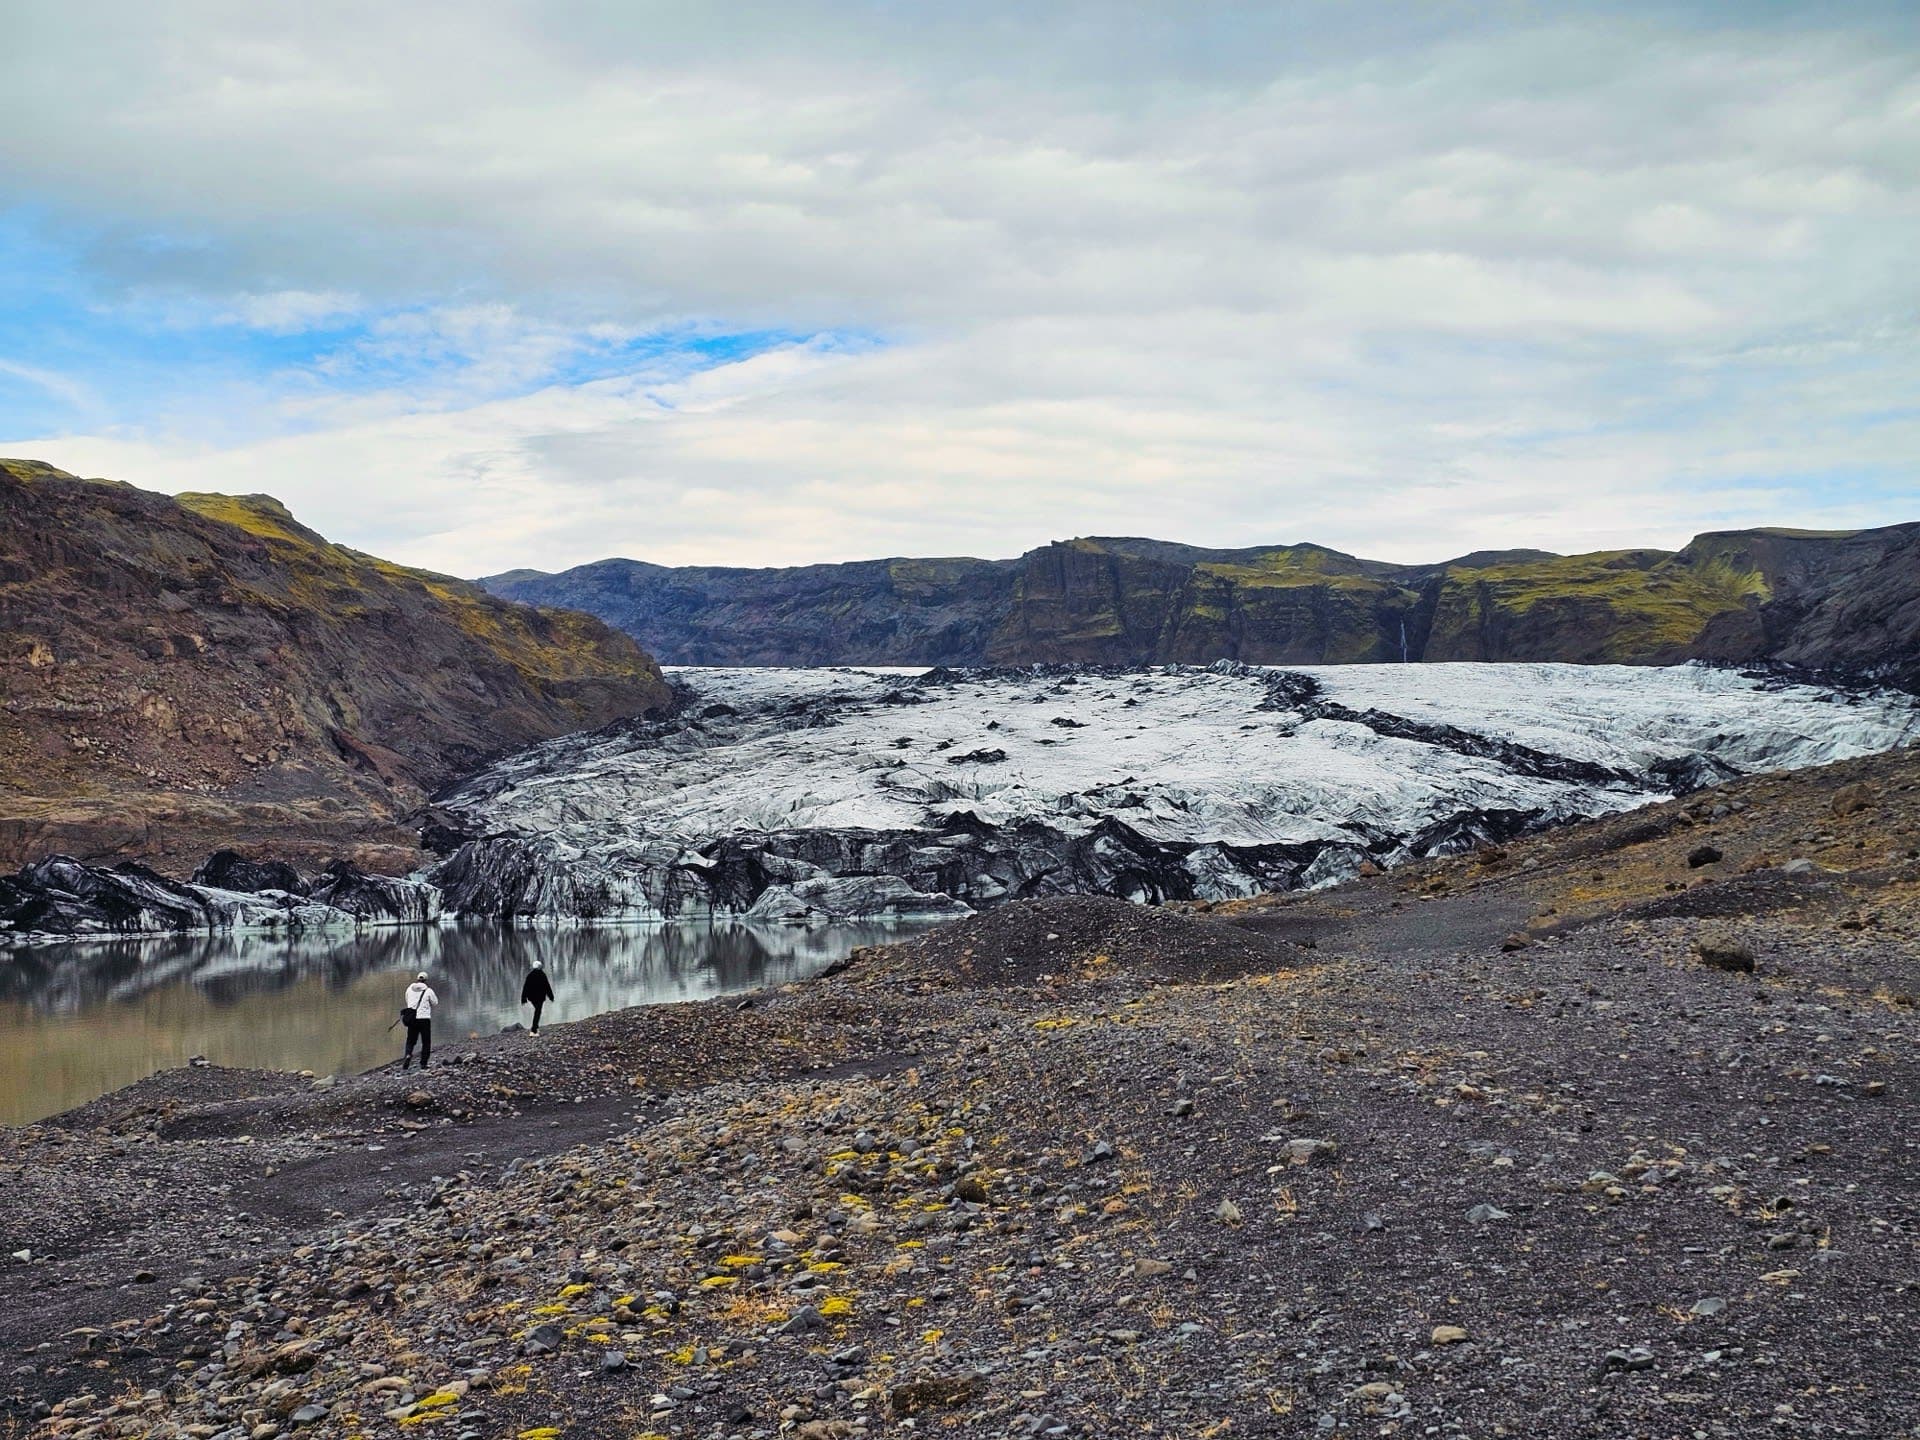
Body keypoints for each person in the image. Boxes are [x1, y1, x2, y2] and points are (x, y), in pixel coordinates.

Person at [402, 971, 438, 1070]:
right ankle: (423, 1064)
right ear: (425, 981)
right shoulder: (428, 990)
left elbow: (407, 1001)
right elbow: (435, 1003)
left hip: (412, 1019)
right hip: (424, 1019)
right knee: (426, 1042)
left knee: (410, 1040)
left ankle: (408, 1054)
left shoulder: (409, 989)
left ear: (417, 979)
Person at [521, 959, 555, 1034]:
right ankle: (534, 1029)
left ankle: (535, 1027)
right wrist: (551, 996)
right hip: (540, 997)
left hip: (532, 997)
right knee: (538, 1011)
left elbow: (525, 987)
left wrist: (523, 998)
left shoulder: (530, 975)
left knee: (537, 1010)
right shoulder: (542, 975)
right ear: (540, 967)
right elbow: (547, 986)